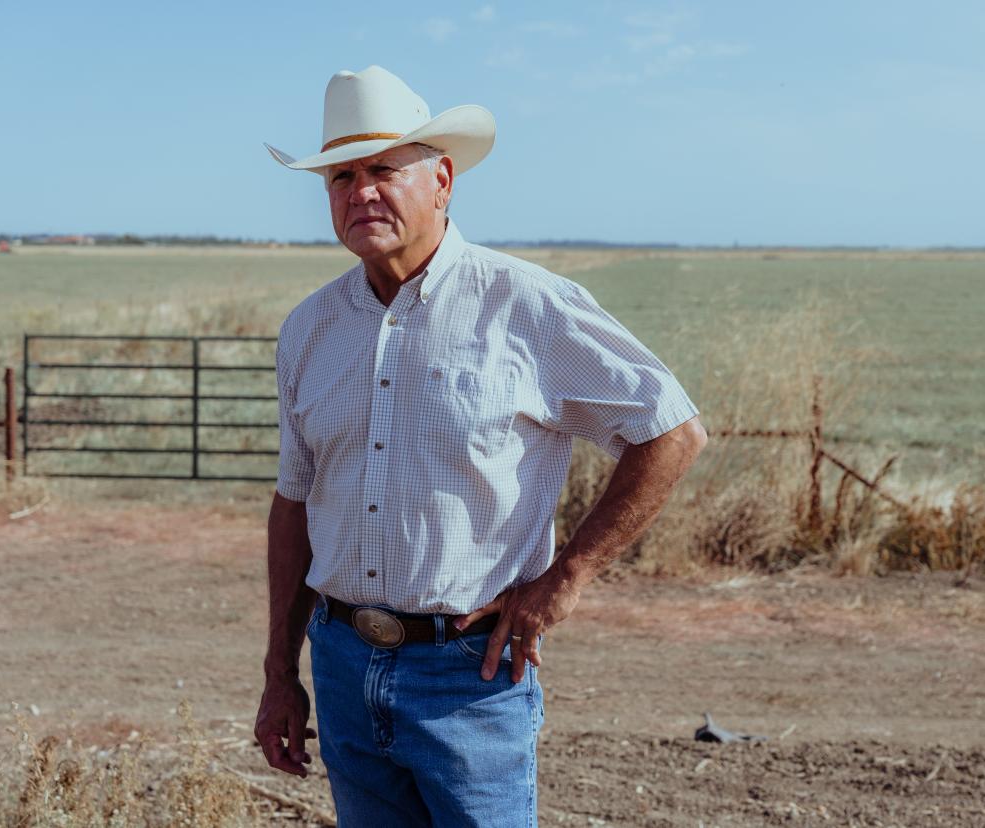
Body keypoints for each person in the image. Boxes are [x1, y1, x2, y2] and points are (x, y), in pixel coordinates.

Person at [254, 65, 707, 827]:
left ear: (442, 180)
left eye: (382, 171)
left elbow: (671, 431)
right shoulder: (310, 328)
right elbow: (294, 503)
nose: (360, 192)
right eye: (341, 177)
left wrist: (567, 577)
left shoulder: (527, 306)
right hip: (340, 662)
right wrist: (279, 672)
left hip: (470, 670)